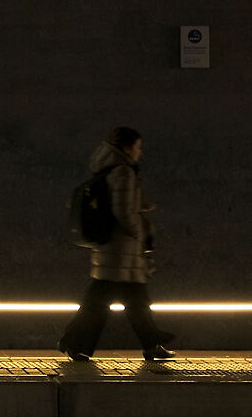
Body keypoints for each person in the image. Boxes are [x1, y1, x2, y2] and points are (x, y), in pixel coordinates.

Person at [61, 126, 177, 362]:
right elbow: (123, 212)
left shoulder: (111, 170)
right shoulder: (124, 172)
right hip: (121, 252)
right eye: (137, 147)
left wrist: (140, 206)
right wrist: (140, 232)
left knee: (127, 301)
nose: (139, 152)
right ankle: (75, 342)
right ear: (126, 147)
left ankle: (149, 343)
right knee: (112, 302)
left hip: (114, 253)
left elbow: (120, 204)